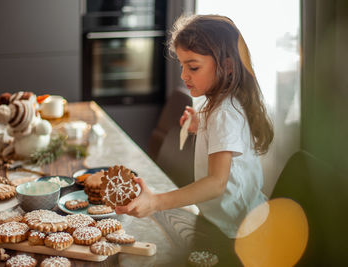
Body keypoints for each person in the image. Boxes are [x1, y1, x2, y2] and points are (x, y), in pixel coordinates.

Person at [116, 14, 274, 239]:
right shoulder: (223, 104)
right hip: (225, 221)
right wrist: (202, 126)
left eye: (193, 67)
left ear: (227, 66)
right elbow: (227, 137)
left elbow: (216, 184)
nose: (183, 75)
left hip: (240, 231)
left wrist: (156, 202)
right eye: (182, 65)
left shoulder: (224, 112)